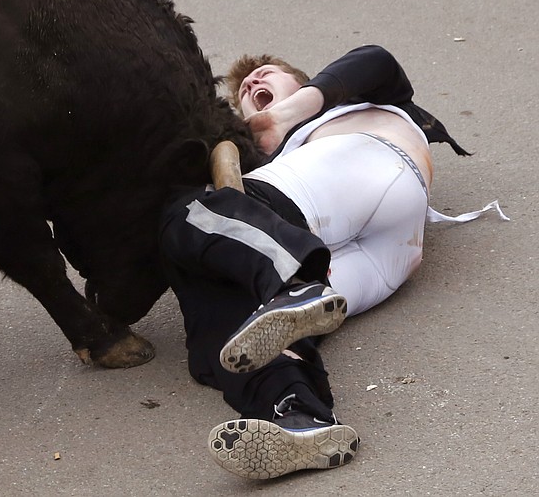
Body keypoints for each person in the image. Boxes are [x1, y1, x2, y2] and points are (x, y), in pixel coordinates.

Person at [159, 45, 505, 480]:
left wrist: (285, 116)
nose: (251, 85)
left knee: (189, 211)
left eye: (265, 74)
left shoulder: (348, 102)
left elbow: (377, 60)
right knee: (230, 341)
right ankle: (300, 415)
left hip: (353, 169)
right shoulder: (276, 151)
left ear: (302, 82)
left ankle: (292, 283)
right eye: (244, 93)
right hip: (393, 253)